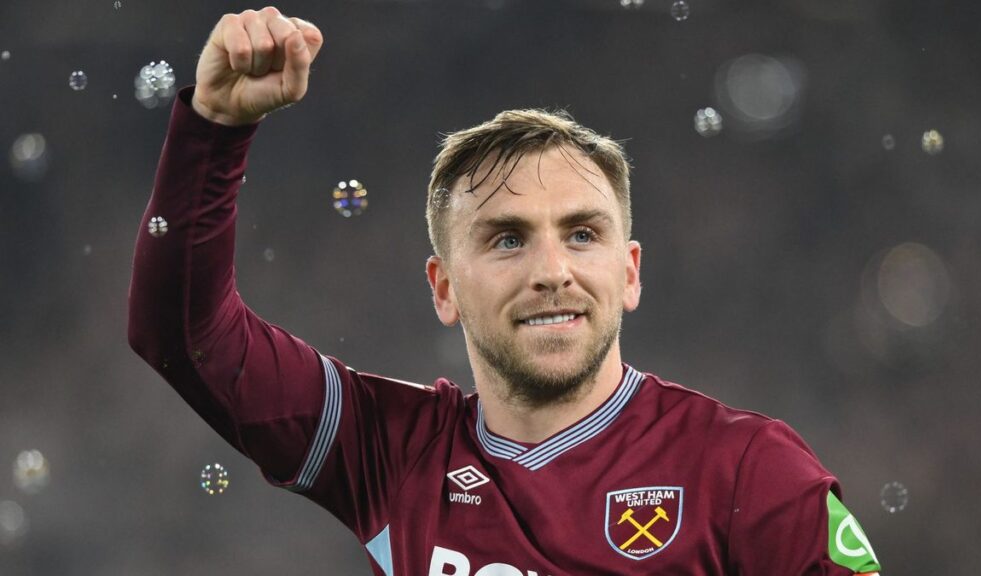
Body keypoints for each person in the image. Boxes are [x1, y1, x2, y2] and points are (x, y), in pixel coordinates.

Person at [127, 6, 881, 575]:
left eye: (583, 233)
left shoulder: (749, 470)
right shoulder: (389, 453)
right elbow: (186, 336)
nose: (552, 270)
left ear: (629, 272)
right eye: (508, 238)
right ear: (443, 286)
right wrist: (215, 129)